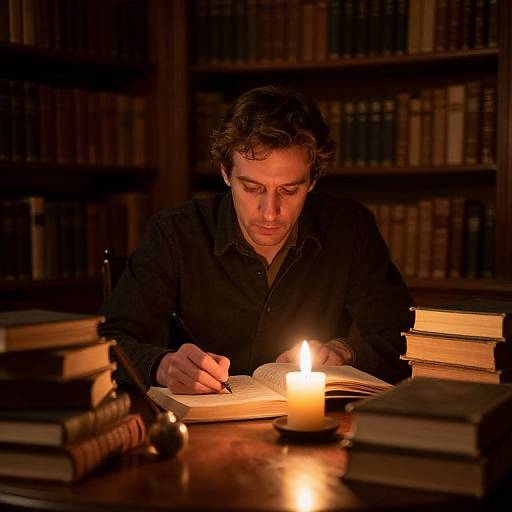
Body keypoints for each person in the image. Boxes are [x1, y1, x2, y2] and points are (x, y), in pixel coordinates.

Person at [99, 85, 414, 394]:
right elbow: (110, 342)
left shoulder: (349, 229)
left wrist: (344, 353)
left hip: (310, 425)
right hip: (196, 429)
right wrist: (163, 366)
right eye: (252, 188)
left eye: (289, 190)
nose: (269, 212)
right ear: (226, 173)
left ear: (313, 180)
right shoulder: (175, 233)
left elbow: (406, 341)